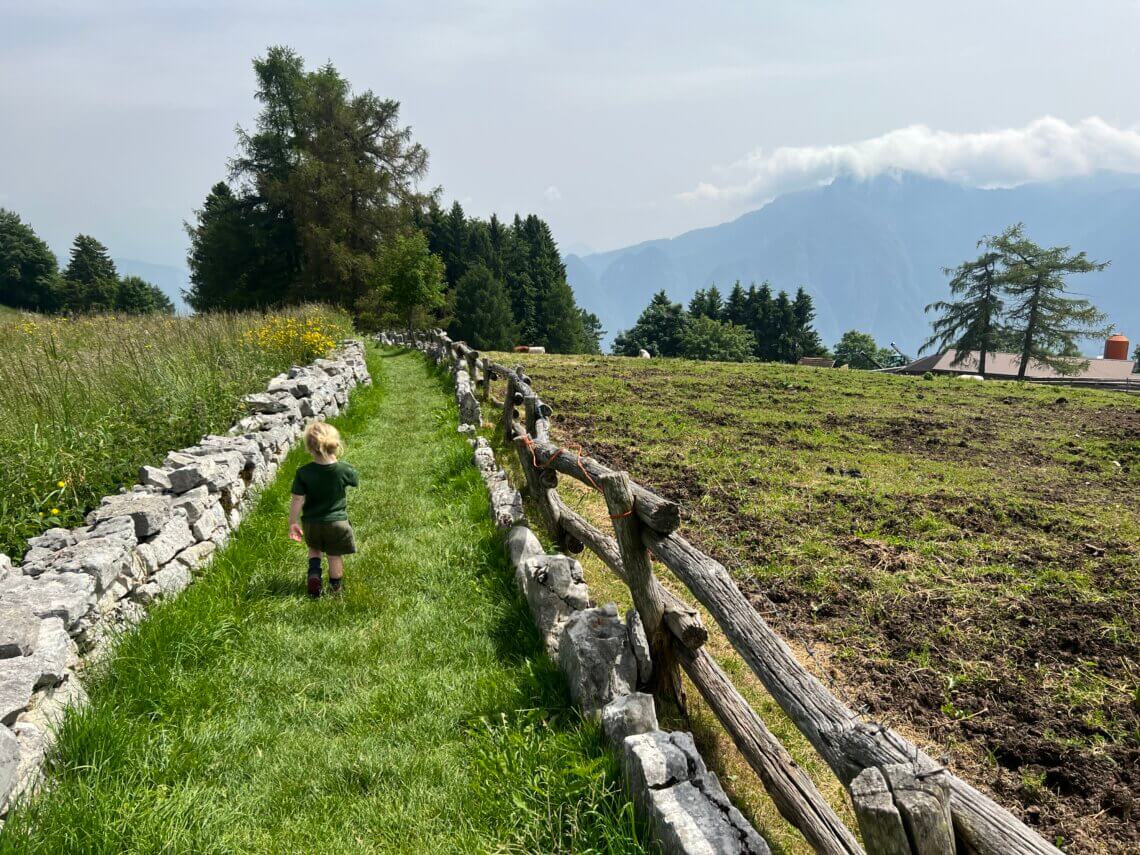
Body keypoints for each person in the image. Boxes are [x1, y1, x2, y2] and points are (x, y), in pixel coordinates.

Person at [289, 421, 359, 598]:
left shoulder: (303, 472)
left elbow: (297, 498)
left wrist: (293, 522)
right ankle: (336, 590)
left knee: (314, 548)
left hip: (312, 523)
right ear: (334, 444)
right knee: (334, 555)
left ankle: (314, 574)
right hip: (337, 523)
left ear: (309, 448)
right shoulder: (343, 469)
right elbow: (355, 480)